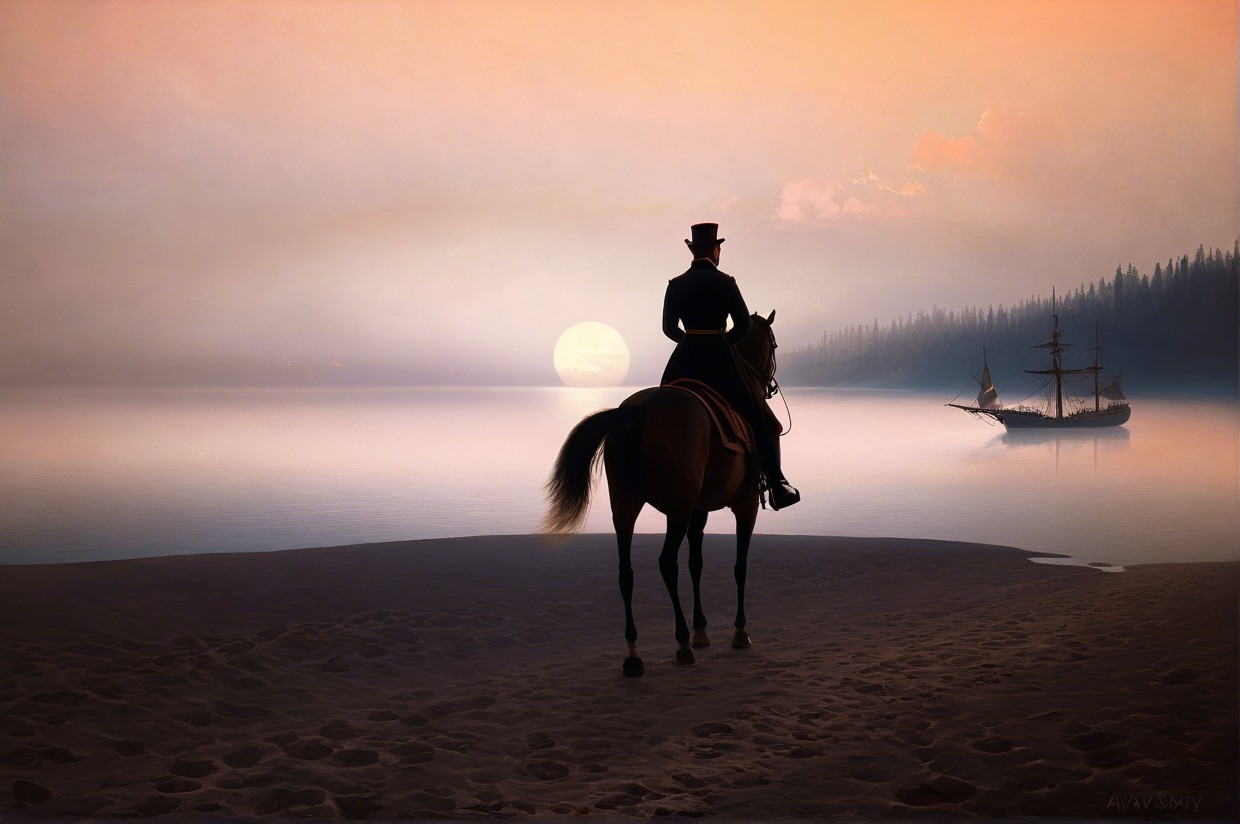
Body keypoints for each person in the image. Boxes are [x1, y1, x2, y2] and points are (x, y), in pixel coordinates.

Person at [660, 223, 800, 510]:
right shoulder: (725, 282)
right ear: (715, 250)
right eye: (718, 248)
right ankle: (777, 484)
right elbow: (744, 325)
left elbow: (667, 328)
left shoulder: (675, 284)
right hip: (719, 359)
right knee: (763, 419)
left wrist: (688, 341)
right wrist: (725, 344)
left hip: (683, 360)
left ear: (692, 251)